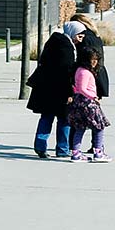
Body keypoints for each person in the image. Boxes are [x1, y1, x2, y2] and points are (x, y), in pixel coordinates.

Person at [26, 22, 79, 158]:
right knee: (64, 120)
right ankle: (62, 149)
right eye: (79, 35)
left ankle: (40, 146)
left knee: (46, 118)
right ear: (72, 33)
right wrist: (70, 92)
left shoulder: (53, 43)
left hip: (46, 88)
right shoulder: (67, 48)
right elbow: (66, 72)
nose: (80, 39)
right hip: (61, 90)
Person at [65, 43, 112, 162]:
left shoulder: (80, 70)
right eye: (92, 59)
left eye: (96, 59)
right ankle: (98, 152)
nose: (94, 62)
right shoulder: (84, 72)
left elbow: (76, 87)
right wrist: (93, 97)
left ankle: (76, 153)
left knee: (80, 127)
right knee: (99, 127)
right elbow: (82, 88)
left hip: (80, 101)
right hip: (87, 103)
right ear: (86, 59)